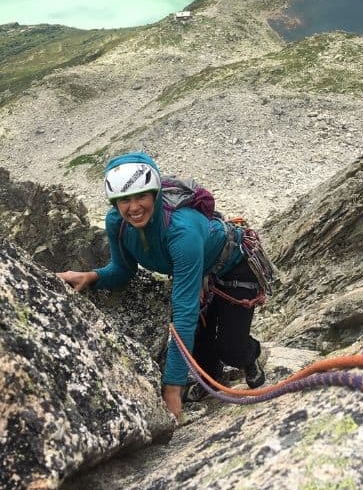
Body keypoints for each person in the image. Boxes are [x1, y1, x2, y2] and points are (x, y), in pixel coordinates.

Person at [57, 151, 266, 422]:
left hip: (235, 267)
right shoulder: (117, 224)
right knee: (203, 359)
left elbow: (184, 313)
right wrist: (91, 277)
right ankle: (212, 378)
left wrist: (172, 390)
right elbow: (123, 270)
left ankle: (250, 357)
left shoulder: (181, 232)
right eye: (124, 200)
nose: (133, 208)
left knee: (230, 348)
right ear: (114, 203)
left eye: (141, 196)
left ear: (155, 194)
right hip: (198, 273)